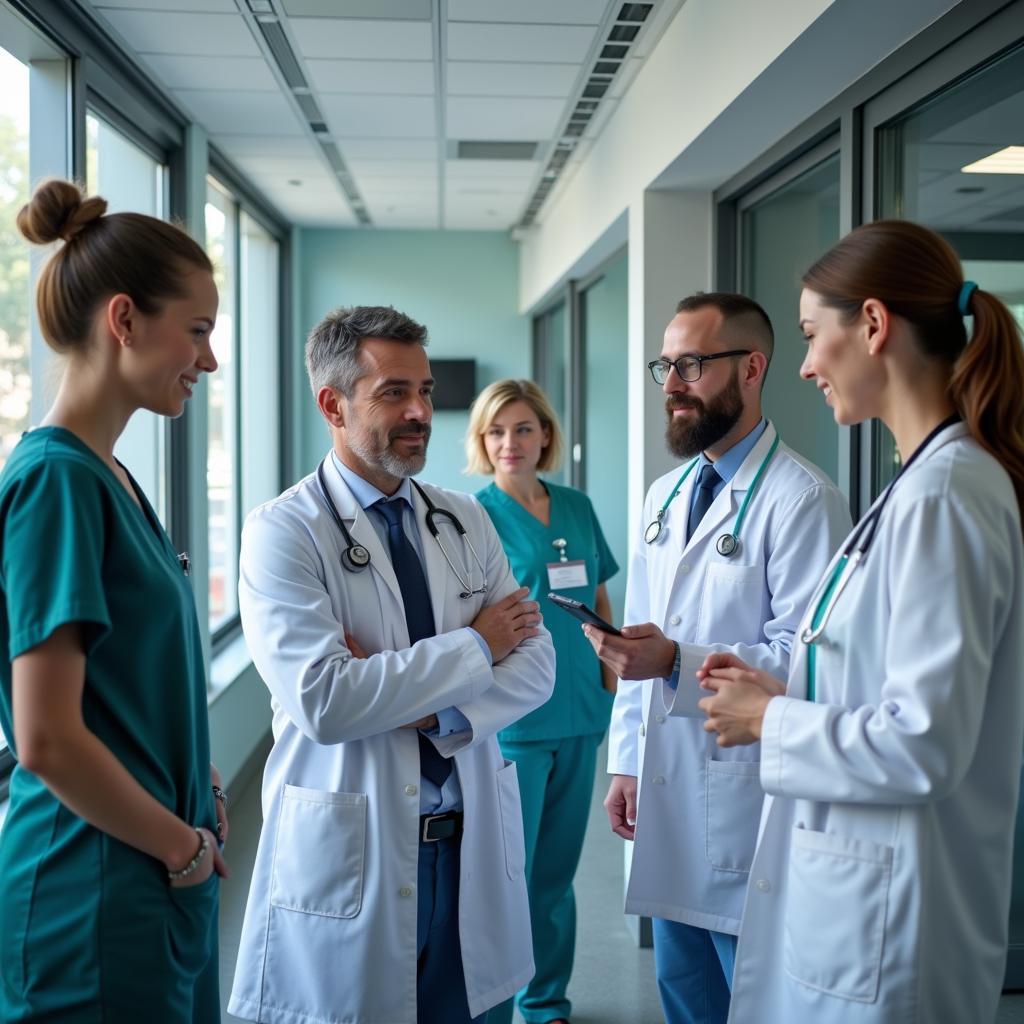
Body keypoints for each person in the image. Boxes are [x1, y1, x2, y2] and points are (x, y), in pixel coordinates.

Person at [698, 221, 1024, 1023]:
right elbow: (894, 681)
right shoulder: (917, 483)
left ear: (873, 325)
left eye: (813, 335)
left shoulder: (948, 493)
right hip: (863, 902)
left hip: (895, 924)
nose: (804, 365)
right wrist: (798, 686)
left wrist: (775, 720)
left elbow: (924, 743)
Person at [228, 306, 555, 1024]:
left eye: (427, 391)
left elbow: (536, 666)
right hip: (356, 854)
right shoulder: (283, 532)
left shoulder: (463, 516)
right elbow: (326, 703)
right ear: (332, 404)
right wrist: (476, 648)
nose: (420, 412)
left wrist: (413, 695)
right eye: (393, 392)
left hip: (465, 845)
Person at [586, 292, 851, 1024]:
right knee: (685, 994)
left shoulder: (803, 500)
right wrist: (627, 762)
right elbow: (645, 638)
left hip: (748, 798)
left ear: (753, 368)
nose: (671, 384)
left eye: (692, 365)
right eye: (665, 366)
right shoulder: (663, 496)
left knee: (752, 995)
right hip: (668, 789)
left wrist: (677, 659)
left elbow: (810, 661)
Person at [0, 179, 228, 1022]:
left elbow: (123, 684)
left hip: (146, 869)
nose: (209, 359)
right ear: (124, 320)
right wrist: (183, 848)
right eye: (197, 331)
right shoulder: (57, 483)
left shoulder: (113, 477)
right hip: (89, 885)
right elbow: (48, 739)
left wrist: (192, 784)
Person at [466, 379, 619, 1024]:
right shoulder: (471, 515)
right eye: (497, 432)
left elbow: (600, 596)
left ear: (546, 435)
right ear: (482, 441)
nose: (510, 443)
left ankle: (546, 1002)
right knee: (509, 878)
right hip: (518, 720)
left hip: (582, 711)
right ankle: (494, 1004)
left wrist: (609, 682)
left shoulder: (577, 507)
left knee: (555, 874)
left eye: (523, 428)